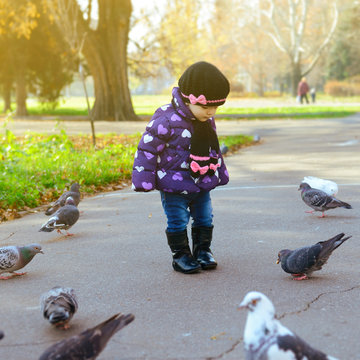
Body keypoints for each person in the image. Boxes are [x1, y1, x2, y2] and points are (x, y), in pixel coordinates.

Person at [132, 61, 230, 274]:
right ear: (188, 99)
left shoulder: (206, 120)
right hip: (173, 186)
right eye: (206, 107)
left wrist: (220, 172)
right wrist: (143, 178)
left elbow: (214, 149)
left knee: (205, 217)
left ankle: (203, 250)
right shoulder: (165, 118)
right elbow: (147, 149)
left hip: (201, 181)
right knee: (177, 220)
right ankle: (181, 255)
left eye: (215, 107)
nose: (211, 112)